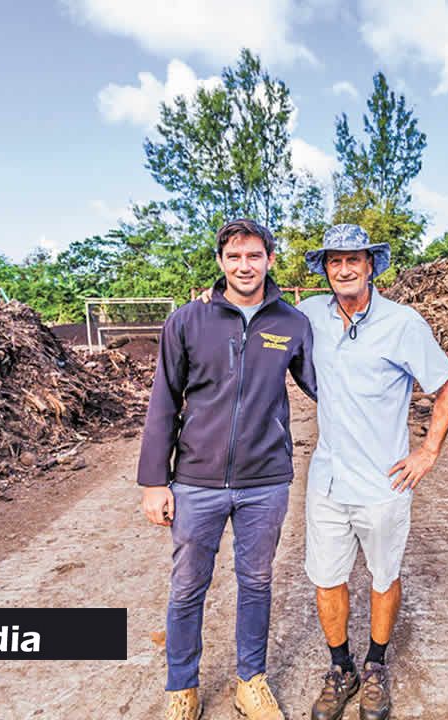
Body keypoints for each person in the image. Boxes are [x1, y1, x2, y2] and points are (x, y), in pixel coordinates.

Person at [138, 218, 316, 720]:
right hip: (196, 481)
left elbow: (325, 386)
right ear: (220, 261)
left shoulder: (291, 323)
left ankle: (250, 682)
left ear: (270, 260)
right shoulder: (187, 321)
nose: (244, 266)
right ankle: (182, 687)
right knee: (187, 587)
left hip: (266, 481)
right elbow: (163, 401)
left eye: (254, 256)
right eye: (234, 256)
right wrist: (154, 481)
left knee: (256, 582)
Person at [297, 224, 448, 720]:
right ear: (325, 269)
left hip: (383, 482)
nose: (344, 269)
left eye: (354, 259)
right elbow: (265, 322)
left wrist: (427, 451)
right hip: (327, 480)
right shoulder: (310, 314)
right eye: (335, 261)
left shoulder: (403, 323)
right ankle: (341, 668)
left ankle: (375, 665)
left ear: (370, 266)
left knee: (383, 575)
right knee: (327, 578)